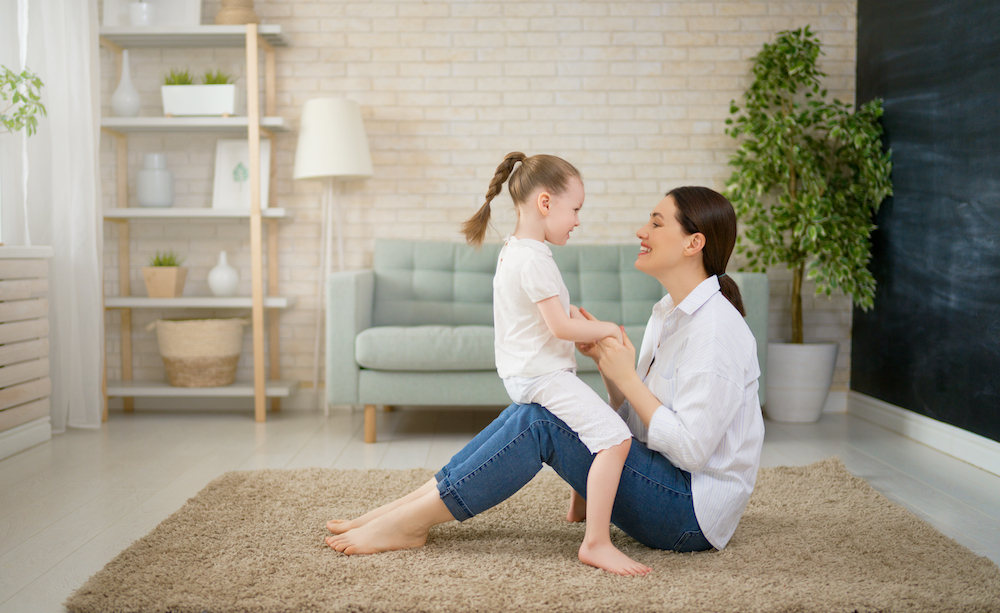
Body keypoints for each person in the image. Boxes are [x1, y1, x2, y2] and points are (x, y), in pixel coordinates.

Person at [326, 185, 765, 575]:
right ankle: (400, 511)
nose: (640, 231)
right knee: (530, 411)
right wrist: (615, 378)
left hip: (687, 515)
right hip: (663, 482)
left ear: (694, 242)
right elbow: (634, 423)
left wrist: (628, 379)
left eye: (655, 222)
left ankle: (409, 523)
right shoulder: (666, 315)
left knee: (539, 422)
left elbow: (691, 449)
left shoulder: (715, 331)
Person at [461, 151, 644, 575]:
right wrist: (607, 329)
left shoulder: (519, 251)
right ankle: (596, 543)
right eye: (575, 209)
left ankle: (580, 505)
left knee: (598, 417)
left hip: (528, 370)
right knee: (616, 439)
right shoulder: (534, 258)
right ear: (546, 203)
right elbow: (559, 327)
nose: (578, 220)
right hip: (539, 375)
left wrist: (578, 319)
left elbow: (547, 316)